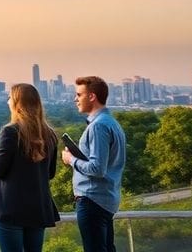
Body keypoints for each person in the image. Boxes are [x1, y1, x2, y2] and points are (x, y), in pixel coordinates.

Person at [0, 83, 60, 252]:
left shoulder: (11, 131)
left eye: (9, 98)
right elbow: (48, 173)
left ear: (16, 103)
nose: (7, 101)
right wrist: (1, 153)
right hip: (37, 208)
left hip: (10, 208)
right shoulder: (49, 134)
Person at [61, 76, 126, 252]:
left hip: (92, 200)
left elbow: (97, 169)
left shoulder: (99, 126)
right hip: (105, 199)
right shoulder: (112, 123)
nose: (75, 99)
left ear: (92, 96)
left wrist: (71, 160)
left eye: (79, 94)